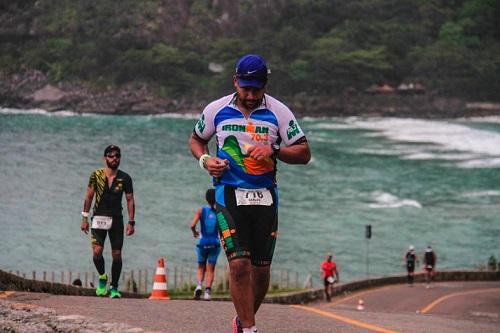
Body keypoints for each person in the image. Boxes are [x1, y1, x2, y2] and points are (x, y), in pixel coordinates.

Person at [188, 54, 311, 333]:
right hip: (228, 195)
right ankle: (250, 329)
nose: (252, 95)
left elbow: (304, 153)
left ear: (265, 84)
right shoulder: (216, 110)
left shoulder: (279, 112)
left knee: (261, 270)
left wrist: (275, 150)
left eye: (257, 89)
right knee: (239, 265)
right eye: (246, 89)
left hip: (265, 197)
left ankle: (242, 321)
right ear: (235, 82)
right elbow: (196, 139)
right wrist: (205, 160)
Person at [80, 145, 135, 299]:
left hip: (117, 220)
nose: (114, 159)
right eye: (111, 156)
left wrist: (131, 222)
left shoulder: (125, 178)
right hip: (98, 218)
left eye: (117, 156)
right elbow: (89, 196)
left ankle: (114, 287)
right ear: (105, 158)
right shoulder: (96, 175)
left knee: (116, 255)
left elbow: (130, 200)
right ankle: (103, 276)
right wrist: (84, 217)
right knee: (97, 252)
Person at [190, 188, 221, 301]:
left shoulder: (201, 211)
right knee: (210, 269)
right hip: (215, 243)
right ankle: (207, 292)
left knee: (201, 267)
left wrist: (195, 233)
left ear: (206, 199)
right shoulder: (219, 212)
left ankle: (199, 285)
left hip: (202, 243)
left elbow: (192, 225)